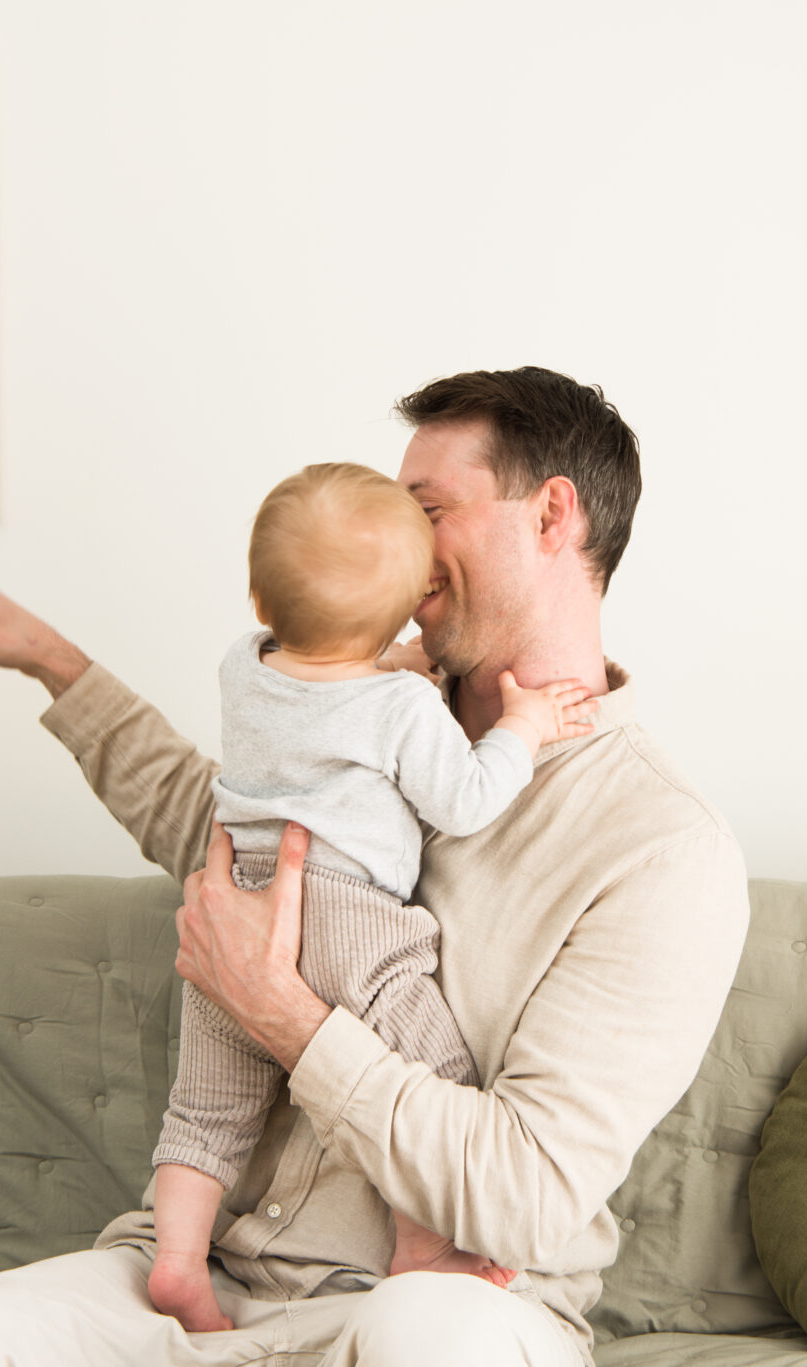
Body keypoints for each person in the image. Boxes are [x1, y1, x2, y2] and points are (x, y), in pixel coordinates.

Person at [0, 367, 749, 1367]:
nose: (398, 549)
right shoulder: (362, 706)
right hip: (220, 1284)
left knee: (434, 1346)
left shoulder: (663, 848)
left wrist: (280, 1009)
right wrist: (48, 658)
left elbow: (525, 1189)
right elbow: (210, 821)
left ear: (550, 514)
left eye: (425, 512)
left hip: (442, 1300)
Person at [150, 460, 598, 1333]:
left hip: (233, 893)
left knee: (206, 1102)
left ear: (257, 599)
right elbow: (465, 798)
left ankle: (174, 1261)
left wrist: (375, 657)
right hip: (344, 909)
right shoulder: (400, 704)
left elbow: (322, 683)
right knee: (434, 1074)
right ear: (404, 614)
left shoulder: (244, 667)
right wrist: (523, 725)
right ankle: (423, 1244)